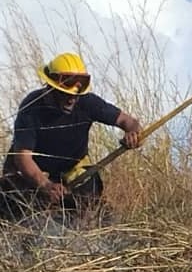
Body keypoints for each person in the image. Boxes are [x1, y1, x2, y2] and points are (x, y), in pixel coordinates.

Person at [0, 52, 142, 225]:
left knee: (92, 215)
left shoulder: (88, 102)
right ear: (50, 87)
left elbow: (129, 121)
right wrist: (45, 185)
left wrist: (133, 133)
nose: (71, 99)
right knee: (18, 210)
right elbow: (23, 157)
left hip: (72, 172)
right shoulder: (31, 107)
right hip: (31, 175)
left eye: (75, 95)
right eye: (65, 94)